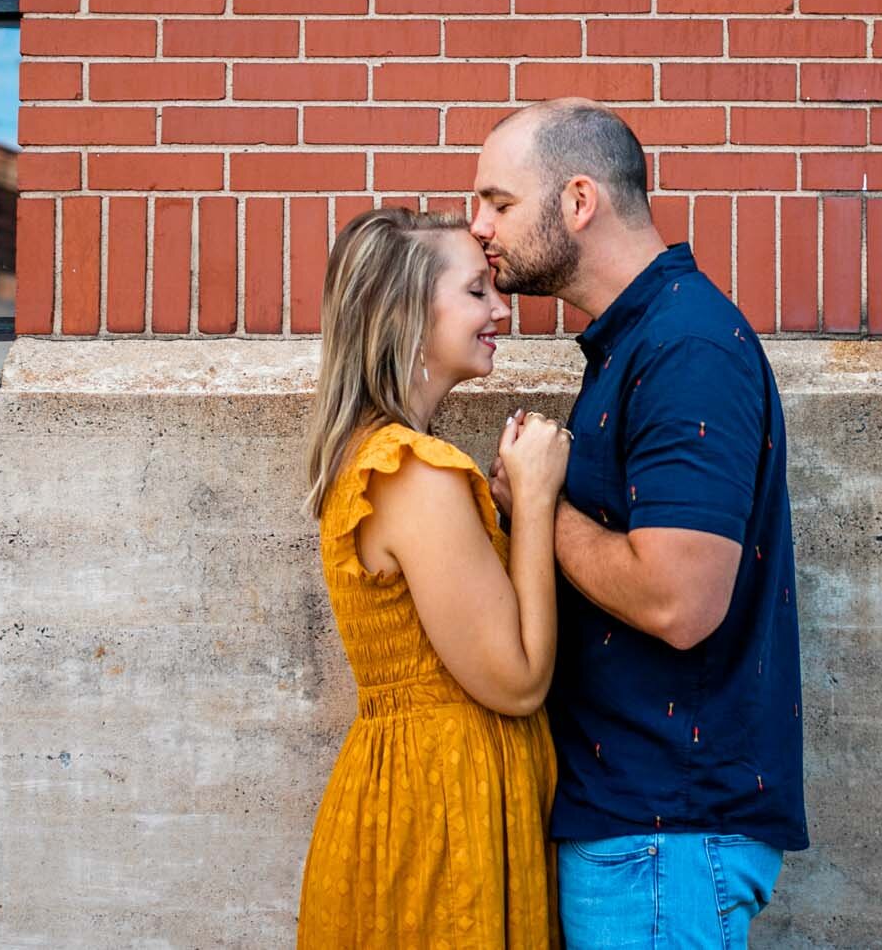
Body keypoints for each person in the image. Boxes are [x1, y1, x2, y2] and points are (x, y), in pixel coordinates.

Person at [472, 100, 808, 950]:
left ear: (579, 200)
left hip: (665, 836)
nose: (478, 226)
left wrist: (538, 508)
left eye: (498, 202)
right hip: (644, 831)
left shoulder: (686, 347)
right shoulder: (641, 343)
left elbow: (679, 599)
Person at [296, 206, 573, 948]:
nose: (501, 309)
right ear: (406, 314)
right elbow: (517, 679)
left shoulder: (375, 456)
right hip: (442, 809)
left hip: (411, 796)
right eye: (477, 291)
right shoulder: (411, 469)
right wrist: (539, 499)